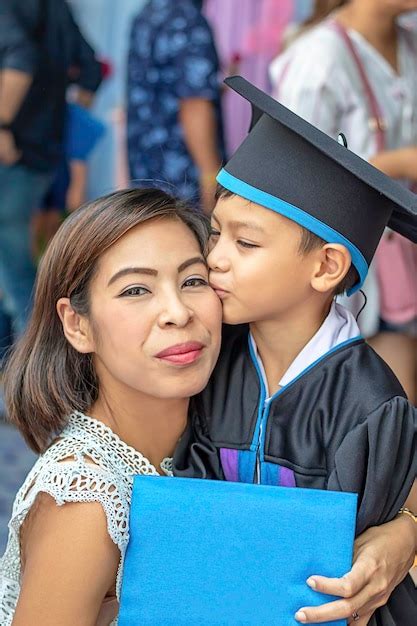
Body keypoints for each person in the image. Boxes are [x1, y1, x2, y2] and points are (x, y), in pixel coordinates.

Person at [173, 77, 417, 626]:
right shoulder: (212, 359)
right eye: (215, 234)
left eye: (246, 243)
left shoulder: (370, 404)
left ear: (326, 266)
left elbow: (357, 568)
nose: (215, 259)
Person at [0, 188, 222, 625]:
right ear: (77, 324)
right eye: (136, 290)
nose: (177, 312)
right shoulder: (86, 501)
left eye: (193, 281)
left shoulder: (222, 429)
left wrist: (400, 529)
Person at [269, 0, 417, 403]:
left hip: (398, 254)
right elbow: (296, 175)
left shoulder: (408, 43)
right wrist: (397, 162)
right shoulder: (317, 59)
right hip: (344, 259)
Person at [0, 0, 102, 345]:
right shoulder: (57, 7)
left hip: (12, 152)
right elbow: (91, 70)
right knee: (19, 264)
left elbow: (21, 58)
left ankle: (32, 366)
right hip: (44, 152)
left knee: (15, 269)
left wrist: (2, 124)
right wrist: (60, 122)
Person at [127, 0, 224, 214]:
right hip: (182, 180)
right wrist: (210, 174)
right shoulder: (187, 21)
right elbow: (194, 103)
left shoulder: (148, 14)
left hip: (147, 175)